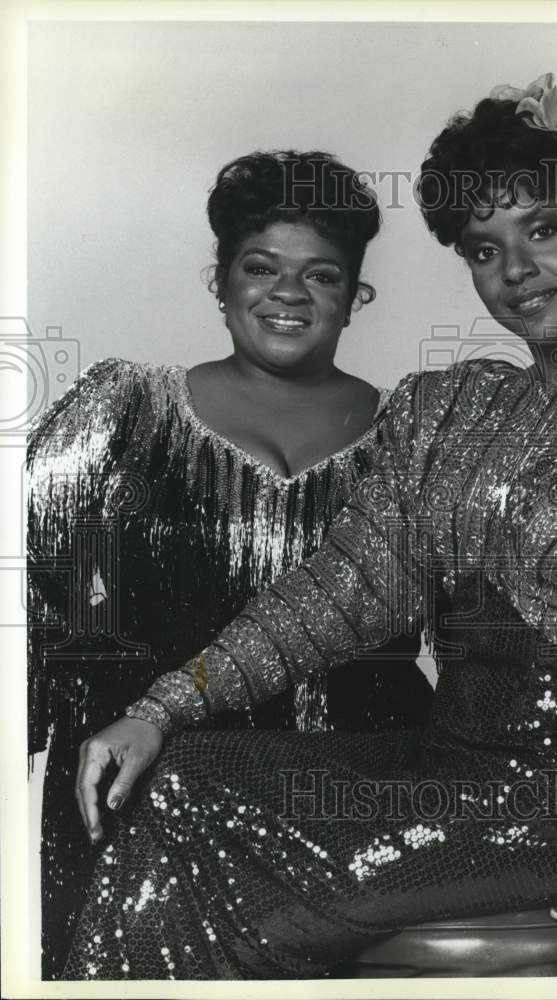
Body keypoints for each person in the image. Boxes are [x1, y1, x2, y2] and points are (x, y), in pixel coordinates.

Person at [64, 76, 557, 979]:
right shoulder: (449, 407)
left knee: (239, 882)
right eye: (483, 249)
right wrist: (163, 707)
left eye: (541, 230)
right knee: (183, 781)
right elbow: (342, 592)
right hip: (437, 760)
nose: (515, 272)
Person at [27, 150, 432, 979]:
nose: (288, 293)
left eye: (321, 276)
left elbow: (485, 645)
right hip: (137, 803)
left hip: (353, 814)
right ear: (218, 279)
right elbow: (26, 597)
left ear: (357, 300)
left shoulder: (416, 442)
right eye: (261, 267)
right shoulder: (122, 412)